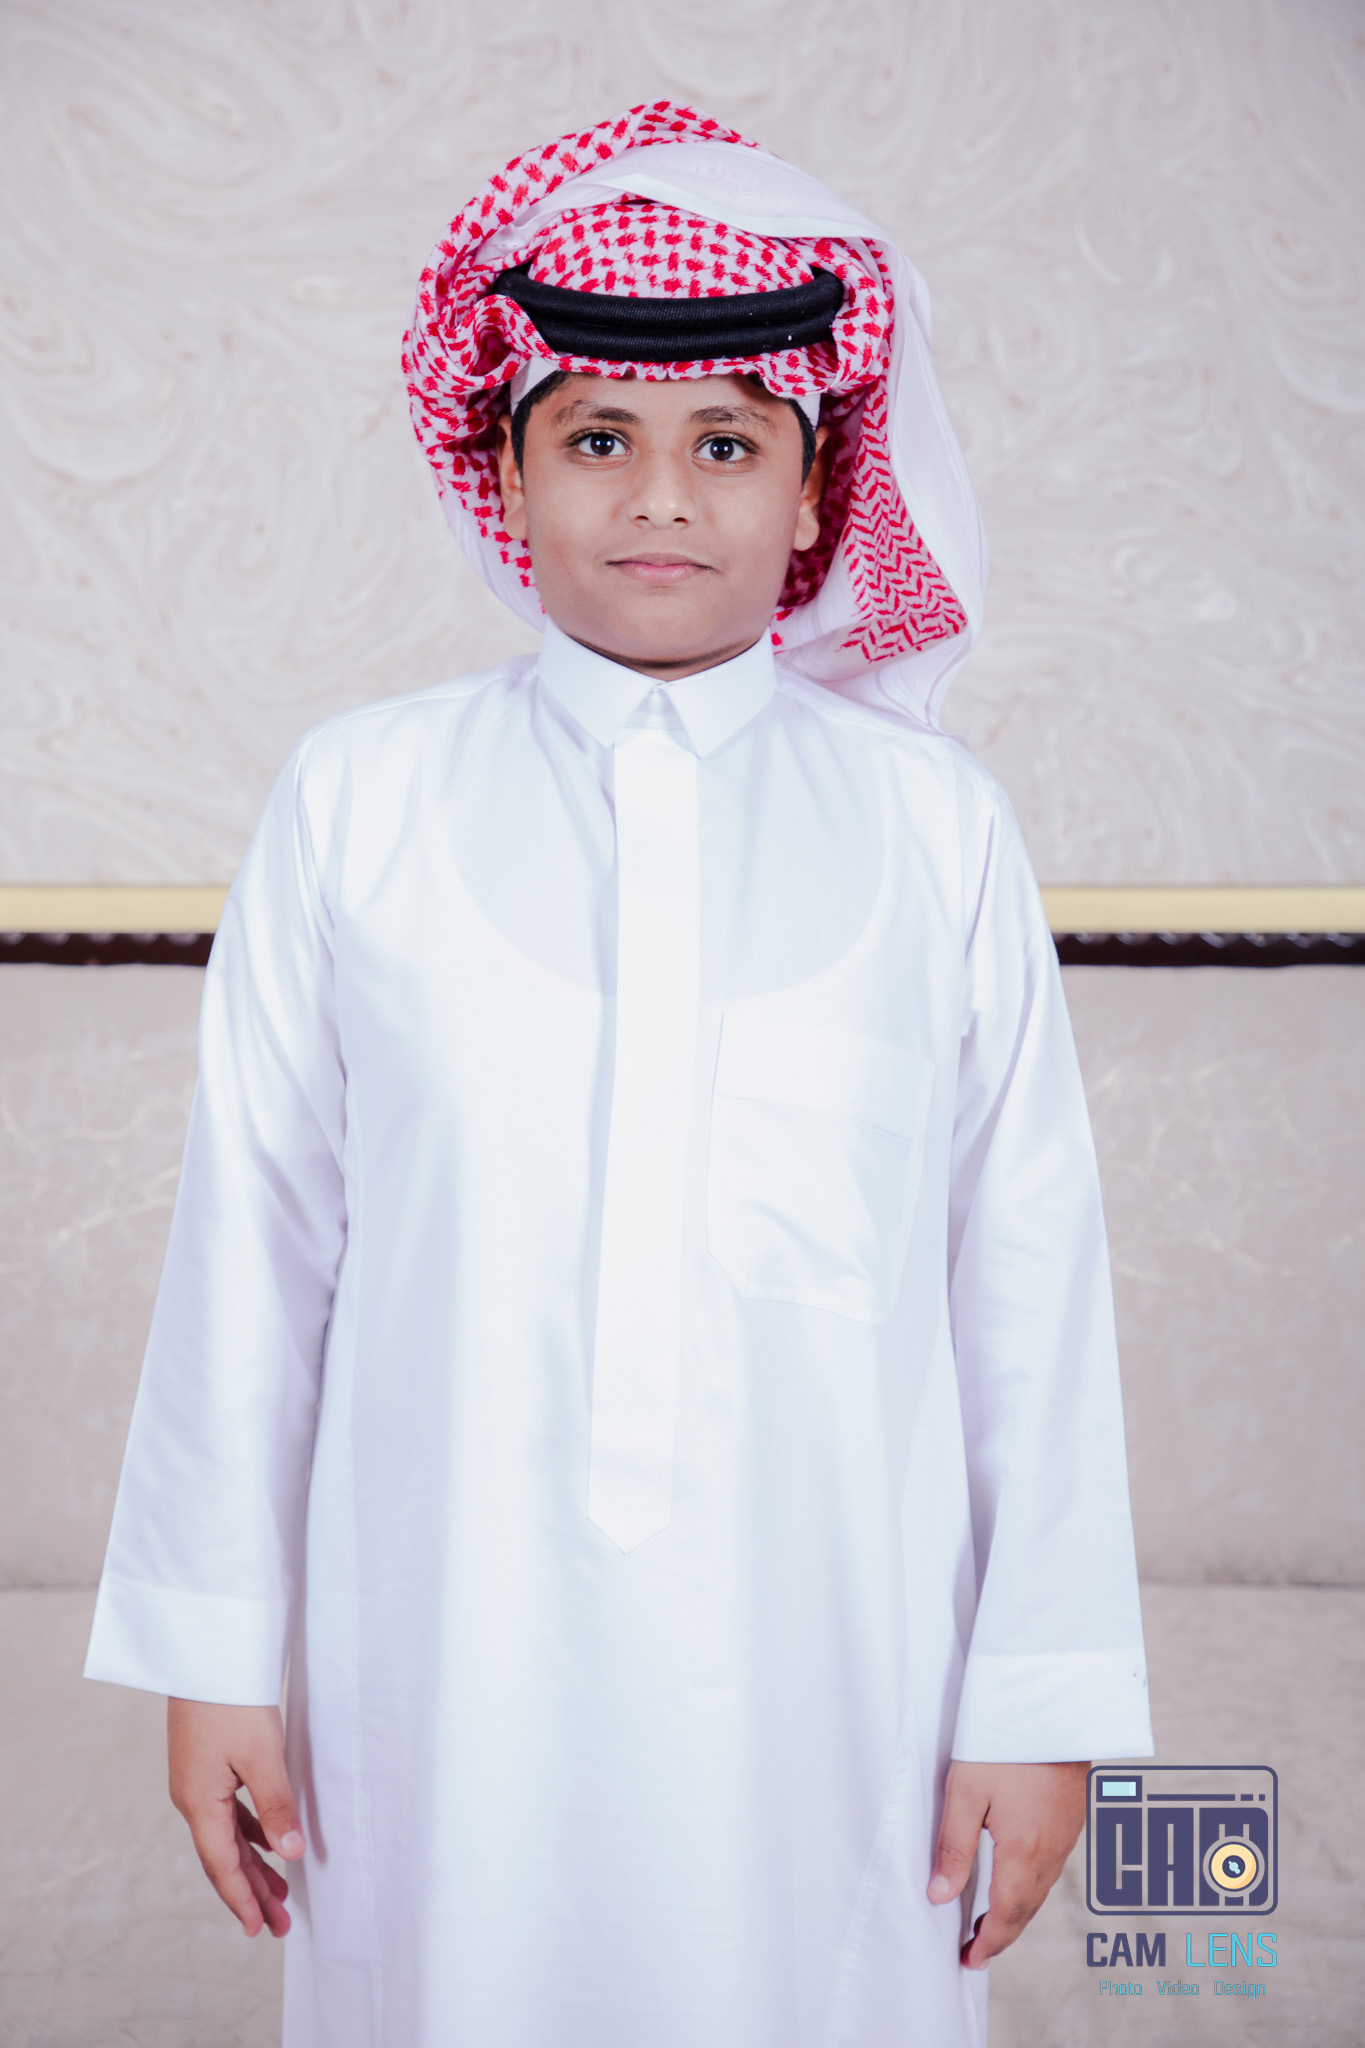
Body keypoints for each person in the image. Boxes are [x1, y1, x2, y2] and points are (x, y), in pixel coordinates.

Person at [85, 101, 1151, 2048]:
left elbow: (1027, 1287)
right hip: (439, 1661)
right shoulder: (359, 800)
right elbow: (253, 1251)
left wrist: (1042, 1695)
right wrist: (213, 1651)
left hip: (839, 1679)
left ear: (814, 496)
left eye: (725, 445)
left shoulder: (932, 830)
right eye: (596, 440)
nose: (660, 498)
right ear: (506, 471)